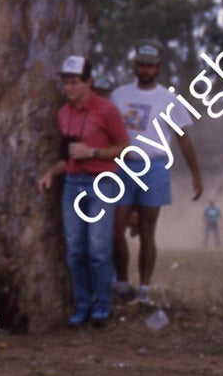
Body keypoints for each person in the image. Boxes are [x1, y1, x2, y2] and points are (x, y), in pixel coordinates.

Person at [38, 55, 131, 327]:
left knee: (98, 248)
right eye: (66, 83)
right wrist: (50, 174)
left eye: (75, 83)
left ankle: (103, 303)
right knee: (75, 249)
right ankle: (81, 304)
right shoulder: (64, 114)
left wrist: (95, 152)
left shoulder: (106, 110)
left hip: (102, 181)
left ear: (88, 82)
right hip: (73, 183)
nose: (69, 88)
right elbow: (67, 155)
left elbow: (124, 146)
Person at [109, 41, 203, 304]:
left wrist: (196, 174)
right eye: (141, 64)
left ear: (158, 68)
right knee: (116, 230)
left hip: (155, 166)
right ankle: (122, 283)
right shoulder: (119, 95)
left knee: (148, 231)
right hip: (123, 166)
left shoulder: (169, 99)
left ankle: (145, 289)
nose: (145, 69)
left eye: (150, 65)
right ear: (135, 66)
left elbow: (183, 138)